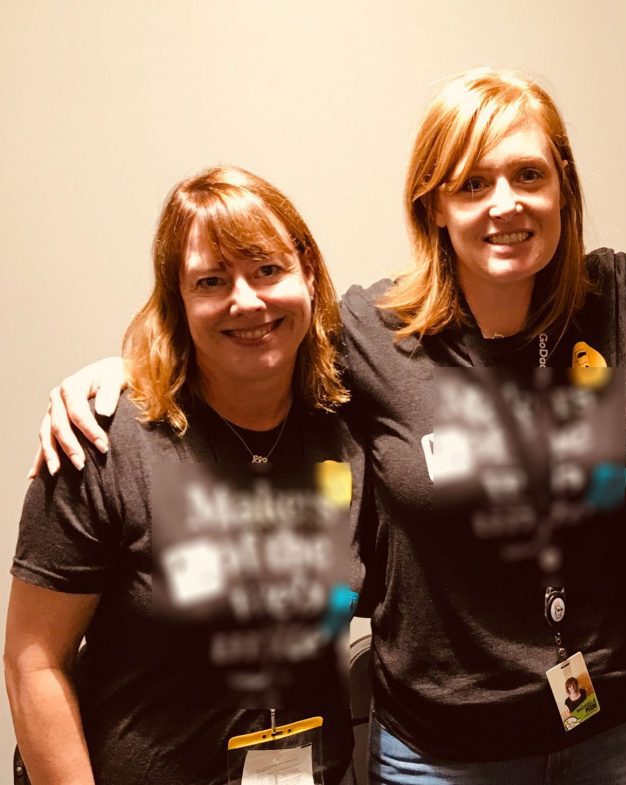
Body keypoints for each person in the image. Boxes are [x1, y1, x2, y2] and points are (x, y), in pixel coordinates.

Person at [25, 68, 626, 785]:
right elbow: (250, 316)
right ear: (435, 205)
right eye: (471, 183)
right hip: (443, 752)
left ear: (562, 189)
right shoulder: (370, 333)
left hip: (621, 728)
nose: (504, 204)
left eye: (528, 176)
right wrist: (126, 363)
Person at [5, 166, 363, 785]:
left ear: (307, 272)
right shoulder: (105, 441)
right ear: (179, 300)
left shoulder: (351, 429)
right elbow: (33, 662)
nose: (246, 300)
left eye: (267, 269)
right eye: (211, 281)